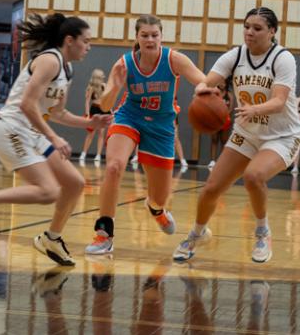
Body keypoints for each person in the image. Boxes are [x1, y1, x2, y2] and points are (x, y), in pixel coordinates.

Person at [0, 13, 112, 266]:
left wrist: (90, 122)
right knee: (48, 191)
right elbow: (27, 104)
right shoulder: (49, 60)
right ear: (69, 40)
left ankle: (51, 238)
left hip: (31, 133)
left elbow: (57, 112)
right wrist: (54, 136)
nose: (89, 46)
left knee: (74, 183)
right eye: (86, 41)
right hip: (12, 129)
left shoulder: (67, 68)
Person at [172, 7, 300, 264]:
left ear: (272, 31)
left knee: (254, 176)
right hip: (247, 133)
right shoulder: (236, 55)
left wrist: (254, 109)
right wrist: (202, 92)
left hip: (282, 135)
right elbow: (207, 81)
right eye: (247, 26)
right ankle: (197, 233)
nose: (250, 32)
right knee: (211, 188)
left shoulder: (282, 58)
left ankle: (263, 232)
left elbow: (279, 101)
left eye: (257, 28)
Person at [85, 14, 206, 255]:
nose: (150, 39)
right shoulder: (124, 64)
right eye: (145, 35)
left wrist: (203, 93)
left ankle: (156, 209)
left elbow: (202, 80)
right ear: (137, 38)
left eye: (154, 35)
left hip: (161, 125)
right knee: (114, 167)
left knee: (159, 197)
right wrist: (117, 87)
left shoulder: (174, 59)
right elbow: (105, 105)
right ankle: (104, 233)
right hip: (129, 116)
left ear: (161, 36)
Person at [79, 69, 108, 163]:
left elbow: (107, 100)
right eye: (102, 76)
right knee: (91, 133)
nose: (104, 77)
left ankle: (98, 155)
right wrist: (87, 114)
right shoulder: (90, 87)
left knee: (101, 133)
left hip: (103, 109)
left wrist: (109, 110)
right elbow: (87, 102)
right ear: (97, 77)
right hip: (94, 109)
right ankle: (83, 153)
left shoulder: (104, 86)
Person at [208, 79, 234, 171]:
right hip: (215, 119)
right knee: (214, 140)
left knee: (224, 141)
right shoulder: (214, 93)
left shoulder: (229, 94)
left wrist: (224, 115)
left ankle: (221, 162)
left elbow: (231, 108)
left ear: (226, 84)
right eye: (220, 82)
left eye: (223, 82)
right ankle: (212, 161)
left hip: (225, 119)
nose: (222, 84)